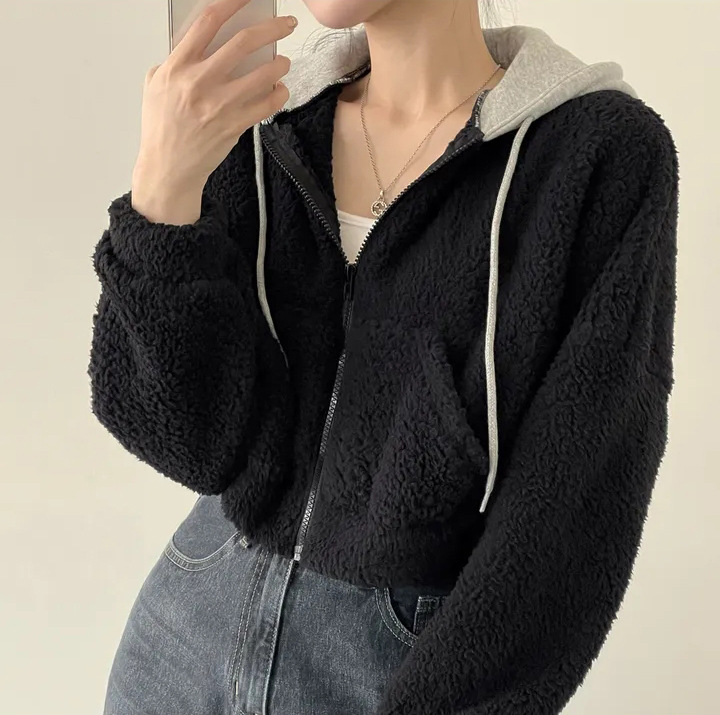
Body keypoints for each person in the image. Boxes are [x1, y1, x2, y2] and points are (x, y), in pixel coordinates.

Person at [89, 0, 679, 713]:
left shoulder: (597, 153)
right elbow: (187, 441)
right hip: (180, 635)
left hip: (393, 668)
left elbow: (573, 512)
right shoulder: (267, 121)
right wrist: (163, 191)